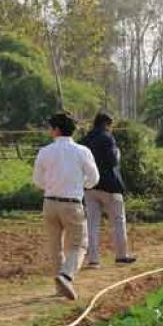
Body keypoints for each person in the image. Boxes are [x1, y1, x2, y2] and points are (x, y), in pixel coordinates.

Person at [32, 112, 100, 302]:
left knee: (56, 246)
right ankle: (66, 276)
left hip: (49, 203)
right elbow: (94, 179)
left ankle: (59, 287)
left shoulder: (45, 151)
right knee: (79, 244)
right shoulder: (82, 151)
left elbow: (37, 180)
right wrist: (81, 185)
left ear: (56, 130)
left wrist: (52, 186)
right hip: (72, 203)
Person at [81, 112, 136, 268]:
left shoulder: (85, 140)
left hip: (90, 186)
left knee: (92, 223)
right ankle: (121, 256)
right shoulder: (107, 137)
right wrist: (118, 153)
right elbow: (112, 160)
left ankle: (93, 260)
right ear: (106, 124)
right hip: (110, 185)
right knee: (118, 221)